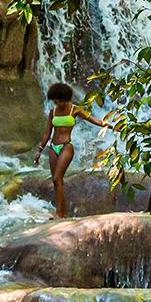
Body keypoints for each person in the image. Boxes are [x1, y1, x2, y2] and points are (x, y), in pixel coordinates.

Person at [37, 81, 110, 218]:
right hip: (53, 147)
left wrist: (112, 126)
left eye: (59, 101)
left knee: (58, 177)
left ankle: (59, 213)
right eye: (55, 102)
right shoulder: (53, 112)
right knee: (55, 180)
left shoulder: (74, 109)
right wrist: (39, 151)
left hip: (66, 146)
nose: (57, 104)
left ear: (66, 99)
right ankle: (62, 212)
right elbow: (47, 133)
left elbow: (94, 120)